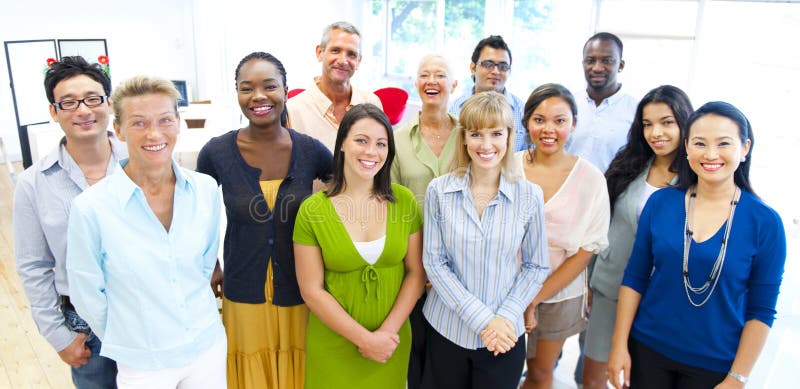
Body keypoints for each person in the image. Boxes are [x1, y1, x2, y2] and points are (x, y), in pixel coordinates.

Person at [607, 101, 786, 389]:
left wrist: (737, 378)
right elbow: (635, 277)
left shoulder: (765, 223)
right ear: (687, 147)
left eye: (724, 143)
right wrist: (618, 346)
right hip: (647, 348)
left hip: (714, 364)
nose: (711, 154)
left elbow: (761, 310)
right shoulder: (662, 202)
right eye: (700, 143)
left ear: (745, 148)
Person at [66, 76, 226, 388]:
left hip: (206, 346)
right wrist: (130, 338)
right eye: (139, 123)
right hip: (142, 362)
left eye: (165, 120)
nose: (154, 133)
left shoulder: (205, 189)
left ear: (178, 123)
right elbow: (87, 294)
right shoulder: (91, 208)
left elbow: (205, 265)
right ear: (119, 129)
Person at [196, 52, 332, 389]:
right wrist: (211, 264)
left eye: (269, 86)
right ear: (237, 94)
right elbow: (194, 216)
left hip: (300, 290)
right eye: (246, 88)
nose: (258, 96)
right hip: (243, 290)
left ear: (285, 90)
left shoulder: (311, 150)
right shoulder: (216, 152)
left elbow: (346, 194)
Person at [421, 91, 550, 389]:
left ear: (509, 136)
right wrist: (483, 320)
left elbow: (536, 265)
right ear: (464, 138)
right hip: (447, 331)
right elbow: (434, 262)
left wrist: (503, 317)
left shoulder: (529, 194)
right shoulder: (439, 191)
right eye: (476, 134)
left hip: (504, 335)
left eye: (496, 133)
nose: (487, 144)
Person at [293, 103, 425, 389]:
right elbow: (311, 291)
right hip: (332, 347)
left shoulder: (404, 202)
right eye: (361, 141)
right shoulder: (312, 210)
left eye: (381, 144)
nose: (371, 152)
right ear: (342, 144)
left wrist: (384, 336)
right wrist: (365, 340)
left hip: (390, 345)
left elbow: (416, 273)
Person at [13, 55, 122, 388]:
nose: (83, 110)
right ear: (53, 112)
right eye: (69, 102)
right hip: (85, 325)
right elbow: (33, 266)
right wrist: (58, 336)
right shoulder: (34, 183)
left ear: (109, 101)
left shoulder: (141, 165)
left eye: (92, 98)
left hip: (148, 311)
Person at [582, 85, 694, 389]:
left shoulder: (696, 177)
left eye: (667, 122)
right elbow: (600, 226)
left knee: (638, 378)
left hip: (660, 299)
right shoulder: (628, 164)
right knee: (595, 376)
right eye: (647, 124)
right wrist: (588, 279)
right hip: (610, 286)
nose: (656, 132)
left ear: (685, 122)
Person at [515, 84, 610, 389]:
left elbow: (585, 252)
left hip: (558, 290)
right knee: (499, 366)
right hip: (504, 284)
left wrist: (534, 297)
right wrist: (519, 297)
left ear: (573, 124)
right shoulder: (508, 167)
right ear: (527, 122)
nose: (549, 129)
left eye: (560, 120)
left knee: (540, 373)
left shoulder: (591, 179)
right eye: (539, 120)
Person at [390, 53, 459, 389]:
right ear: (416, 84)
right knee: (415, 354)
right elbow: (390, 205)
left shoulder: (470, 135)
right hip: (411, 265)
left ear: (455, 84)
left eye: (441, 75)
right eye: (425, 74)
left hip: (461, 266)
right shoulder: (397, 138)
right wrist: (419, 264)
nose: (432, 81)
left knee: (449, 359)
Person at [287, 21, 383, 150]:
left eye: (351, 54)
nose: (343, 61)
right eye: (335, 50)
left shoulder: (372, 103)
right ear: (320, 52)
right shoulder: (292, 111)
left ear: (359, 61)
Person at [566, 32, 638, 173]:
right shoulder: (568, 104)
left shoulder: (635, 110)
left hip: (612, 192)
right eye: (590, 60)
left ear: (621, 65)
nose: (597, 68)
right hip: (564, 189)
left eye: (607, 61)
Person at [448, 35, 527, 152]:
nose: (496, 71)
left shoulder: (523, 113)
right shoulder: (455, 109)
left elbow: (529, 159)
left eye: (503, 66)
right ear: (473, 67)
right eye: (488, 64)